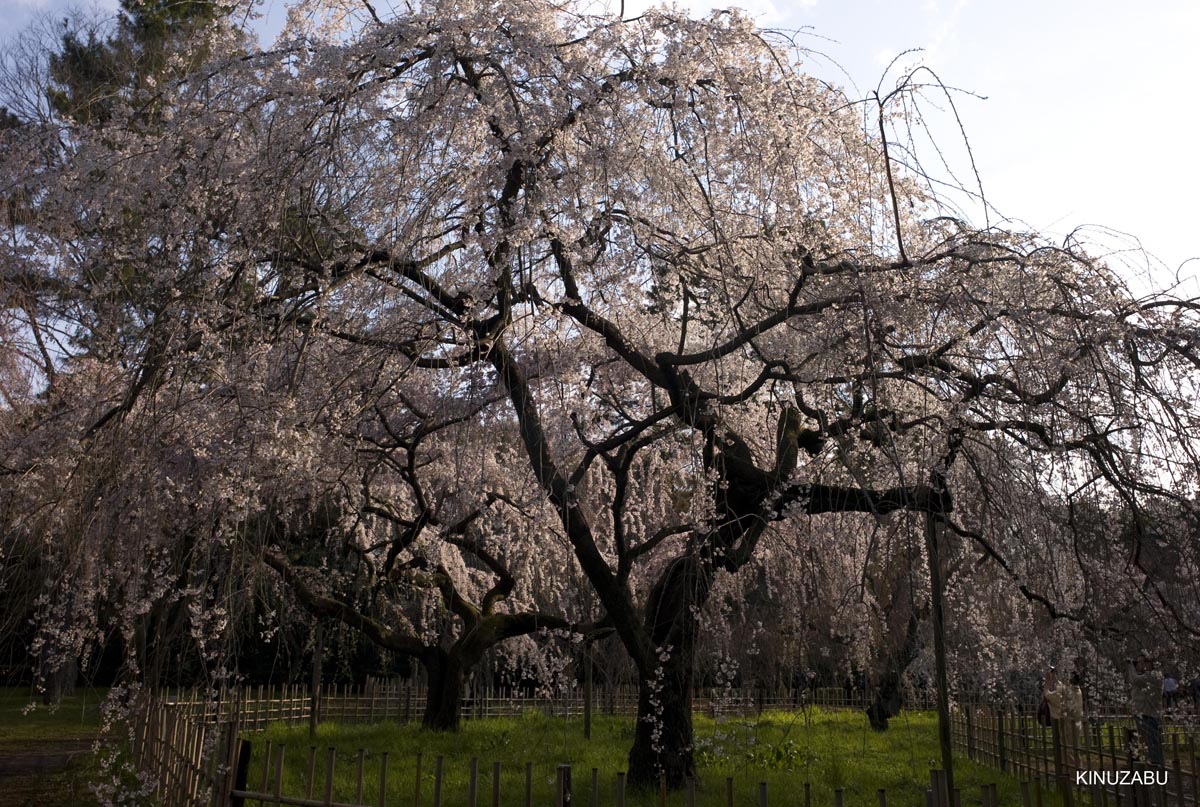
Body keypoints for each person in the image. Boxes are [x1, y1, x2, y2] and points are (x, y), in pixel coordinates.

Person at [1128, 654, 1164, 766]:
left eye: (1139, 663)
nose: (1138, 665)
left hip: (1149, 714)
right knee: (1146, 743)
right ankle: (1151, 767)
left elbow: (1134, 680)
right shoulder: (1149, 676)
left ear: (1148, 663)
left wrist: (1129, 666)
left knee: (1152, 744)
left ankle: (1156, 768)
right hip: (1144, 713)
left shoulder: (1153, 676)